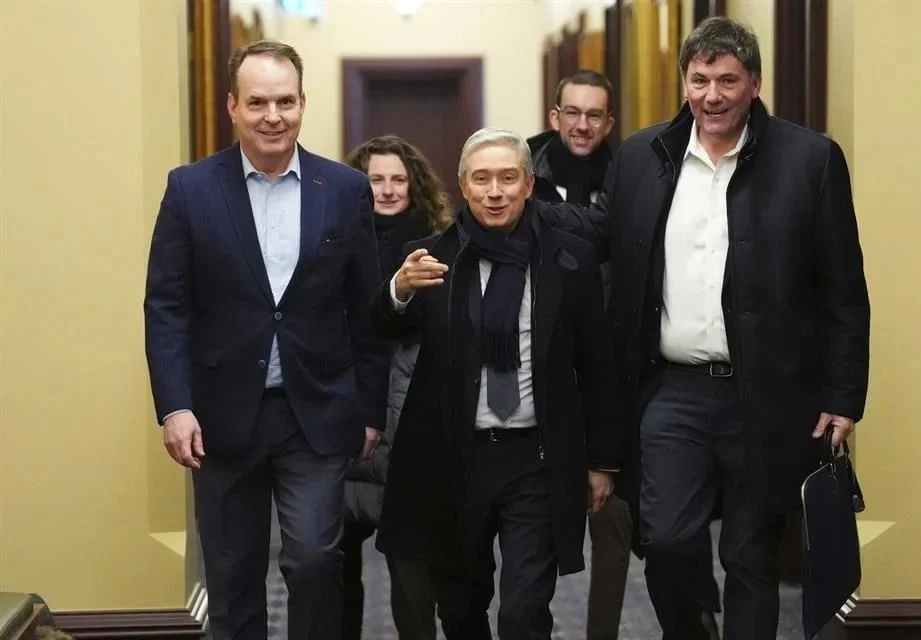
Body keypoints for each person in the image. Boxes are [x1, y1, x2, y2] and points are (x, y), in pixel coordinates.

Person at [542, 17, 870, 640]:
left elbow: (843, 288)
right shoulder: (644, 156)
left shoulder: (810, 161)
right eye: (699, 80)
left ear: (755, 84)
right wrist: (519, 198)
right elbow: (600, 235)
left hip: (768, 394)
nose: (712, 95)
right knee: (665, 539)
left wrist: (844, 393)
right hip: (672, 391)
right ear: (684, 82)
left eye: (727, 81)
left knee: (750, 555)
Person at [144, 40, 388, 640]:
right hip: (220, 417)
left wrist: (370, 411)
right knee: (232, 578)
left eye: (285, 101)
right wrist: (175, 406)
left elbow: (366, 310)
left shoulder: (345, 189)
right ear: (232, 106)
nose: (272, 116)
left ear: (303, 103)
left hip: (316, 412)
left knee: (314, 560)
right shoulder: (190, 189)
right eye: (257, 102)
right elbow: (167, 307)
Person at [371, 128, 624, 640]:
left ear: (528, 185)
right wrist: (398, 288)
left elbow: (598, 365)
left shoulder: (569, 260)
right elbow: (382, 326)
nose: (494, 192)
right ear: (463, 185)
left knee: (524, 610)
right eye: (481, 179)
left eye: (508, 178)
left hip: (536, 458)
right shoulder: (431, 259)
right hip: (454, 458)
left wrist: (602, 461)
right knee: (460, 607)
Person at [531, 70, 721, 639]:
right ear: (554, 117)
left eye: (595, 115)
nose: (582, 125)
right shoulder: (520, 172)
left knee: (623, 519)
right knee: (535, 525)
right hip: (546, 368)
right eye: (572, 113)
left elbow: (610, 235)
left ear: (609, 122)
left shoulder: (639, 169)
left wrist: (533, 210)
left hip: (620, 369)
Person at [339, 134, 456, 640]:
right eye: (375, 180)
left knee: (414, 571)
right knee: (333, 564)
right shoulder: (334, 242)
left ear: (415, 186)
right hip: (349, 417)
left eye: (398, 180)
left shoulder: (441, 246)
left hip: (415, 426)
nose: (386, 190)